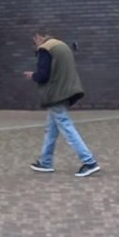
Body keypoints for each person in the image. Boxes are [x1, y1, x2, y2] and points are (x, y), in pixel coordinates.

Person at [24, 30, 99, 177]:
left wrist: (32, 75)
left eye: (34, 41)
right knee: (51, 129)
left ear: (38, 37)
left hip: (56, 93)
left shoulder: (45, 49)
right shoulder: (61, 45)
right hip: (66, 90)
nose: (35, 45)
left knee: (66, 126)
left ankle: (89, 161)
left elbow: (43, 75)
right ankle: (45, 162)